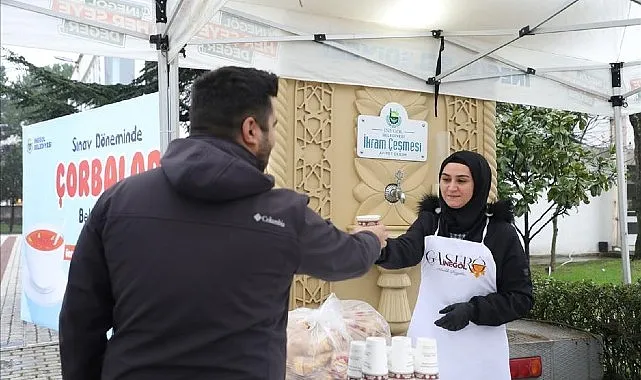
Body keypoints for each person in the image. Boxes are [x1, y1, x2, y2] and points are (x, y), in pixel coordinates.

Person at [59, 66, 388, 380]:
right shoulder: (285, 215)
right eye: (272, 126)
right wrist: (372, 239)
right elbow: (347, 258)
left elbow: (80, 321)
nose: (273, 137)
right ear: (250, 130)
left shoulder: (118, 201)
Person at [376, 150, 533, 380]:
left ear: (479, 185)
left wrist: (473, 310)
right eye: (445, 179)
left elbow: (521, 298)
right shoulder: (431, 222)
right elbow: (405, 251)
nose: (451, 187)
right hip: (428, 346)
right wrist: (375, 247)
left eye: (461, 180)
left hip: (479, 355)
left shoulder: (500, 234)